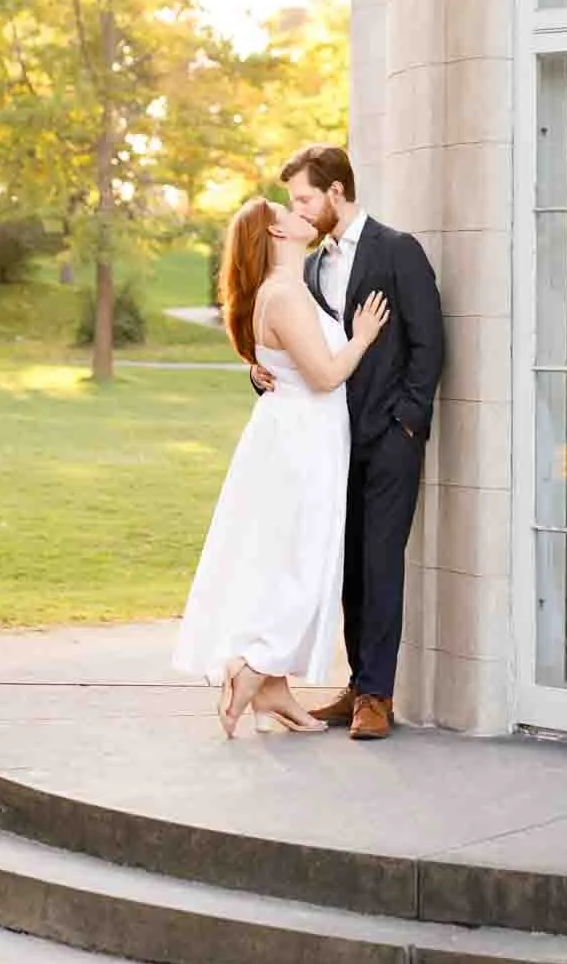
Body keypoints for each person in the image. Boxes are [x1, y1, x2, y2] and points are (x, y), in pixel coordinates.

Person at [173, 193, 390, 737]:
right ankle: (252, 666)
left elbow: (281, 363)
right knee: (303, 563)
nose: (302, 215)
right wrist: (362, 339)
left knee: (293, 559)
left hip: (302, 438)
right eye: (289, 213)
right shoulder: (285, 296)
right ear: (277, 235)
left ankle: (273, 692)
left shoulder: (292, 290)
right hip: (302, 444)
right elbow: (322, 374)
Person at [259, 145, 445, 742]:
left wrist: (408, 424)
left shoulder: (398, 251)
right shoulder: (311, 270)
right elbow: (305, 350)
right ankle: (355, 681)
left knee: (382, 561)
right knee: (349, 568)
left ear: (337, 192)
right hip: (331, 444)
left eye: (307, 199)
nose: (301, 212)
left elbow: (429, 345)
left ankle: (376, 696)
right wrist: (260, 373)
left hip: (390, 440)